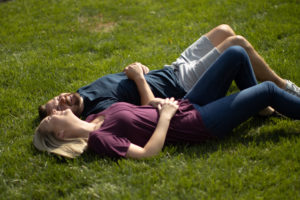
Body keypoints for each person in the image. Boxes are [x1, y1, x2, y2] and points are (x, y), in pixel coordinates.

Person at [33, 46, 300, 159]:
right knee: (267, 89)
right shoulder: (98, 140)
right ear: (60, 133)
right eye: (51, 117)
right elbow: (148, 153)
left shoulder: (93, 117)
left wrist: (157, 104)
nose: (56, 111)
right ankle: (264, 104)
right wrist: (165, 117)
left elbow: (137, 115)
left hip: (185, 105)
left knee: (236, 53)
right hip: (196, 124)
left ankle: (258, 111)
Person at [38, 24, 300, 119]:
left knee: (224, 30)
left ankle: (259, 100)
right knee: (237, 43)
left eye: (57, 97)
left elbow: (123, 83)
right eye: (59, 107)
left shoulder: (82, 92)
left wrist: (140, 71)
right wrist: (140, 78)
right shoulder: (98, 110)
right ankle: (282, 86)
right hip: (183, 86)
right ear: (66, 118)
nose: (62, 99)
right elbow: (147, 109)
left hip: (172, 69)